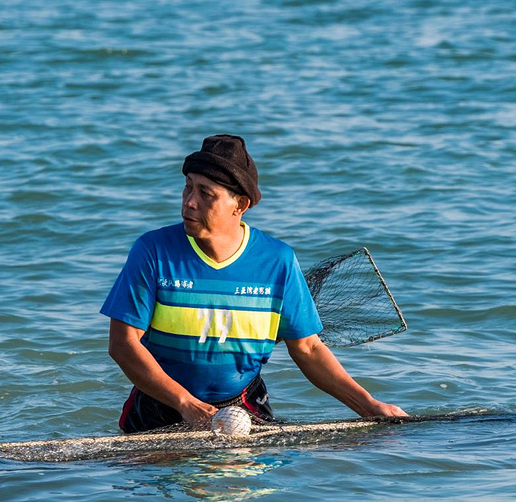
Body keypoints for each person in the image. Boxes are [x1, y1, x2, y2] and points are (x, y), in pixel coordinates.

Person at [101, 134, 407, 433]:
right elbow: (123, 344)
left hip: (244, 407)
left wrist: (368, 406)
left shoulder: (277, 261)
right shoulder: (153, 251)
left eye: (206, 193)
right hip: (158, 406)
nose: (190, 202)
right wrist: (185, 403)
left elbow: (309, 348)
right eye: (187, 187)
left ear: (240, 205)